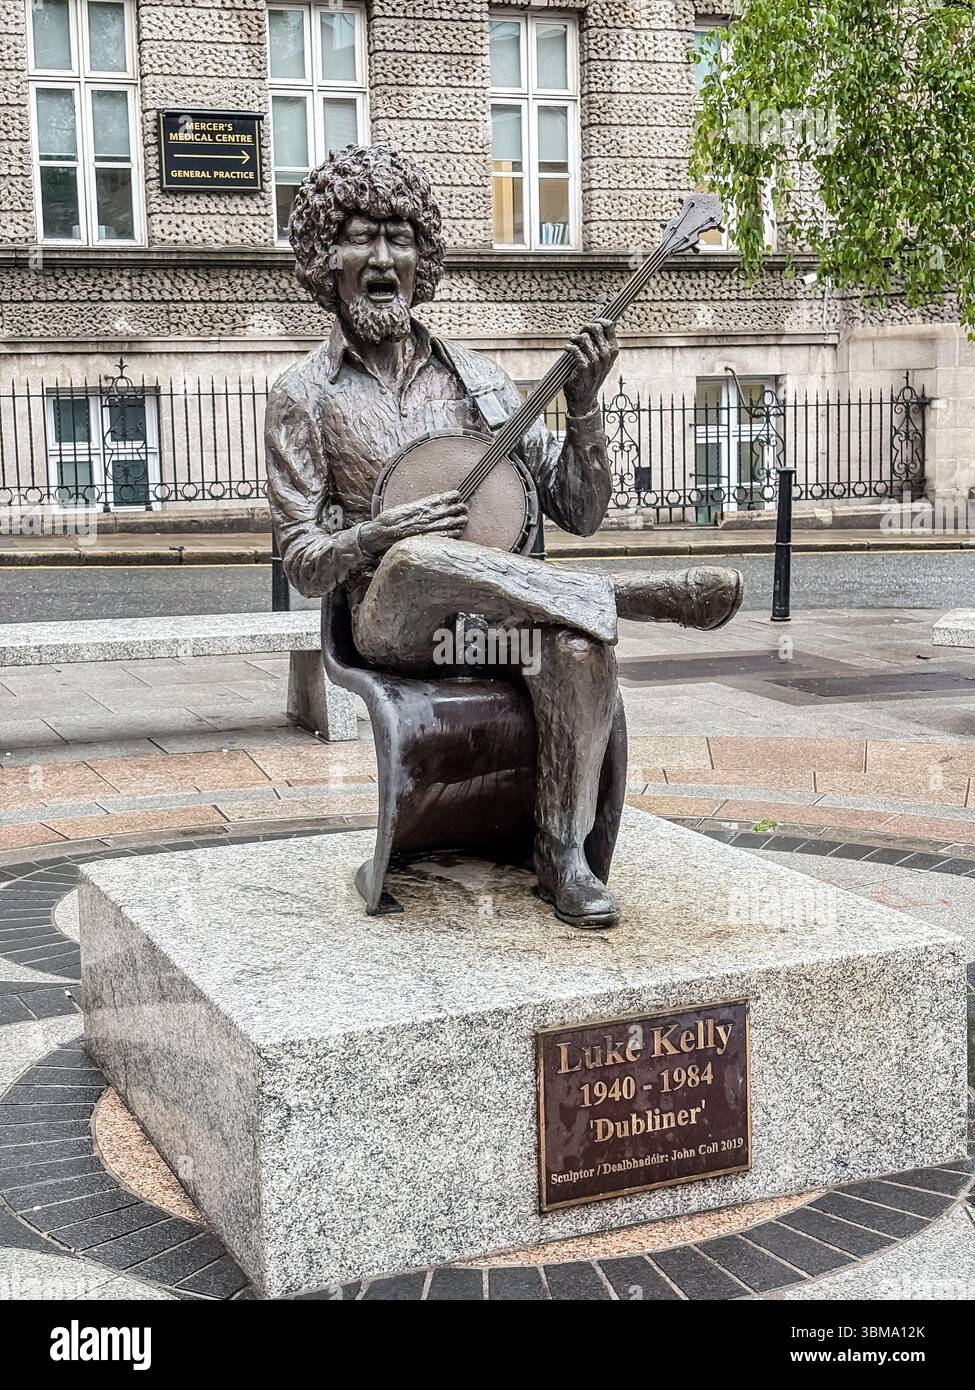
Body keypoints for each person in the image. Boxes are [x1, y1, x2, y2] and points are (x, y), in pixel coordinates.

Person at [266, 144, 742, 929]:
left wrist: (583, 407)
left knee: (581, 646)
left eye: (400, 236)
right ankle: (628, 596)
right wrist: (378, 535)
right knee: (421, 557)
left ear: (424, 256)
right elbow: (304, 562)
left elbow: (578, 511)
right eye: (360, 235)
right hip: (393, 628)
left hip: (483, 636)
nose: (383, 256)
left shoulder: (477, 380)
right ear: (326, 255)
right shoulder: (302, 396)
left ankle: (561, 855)